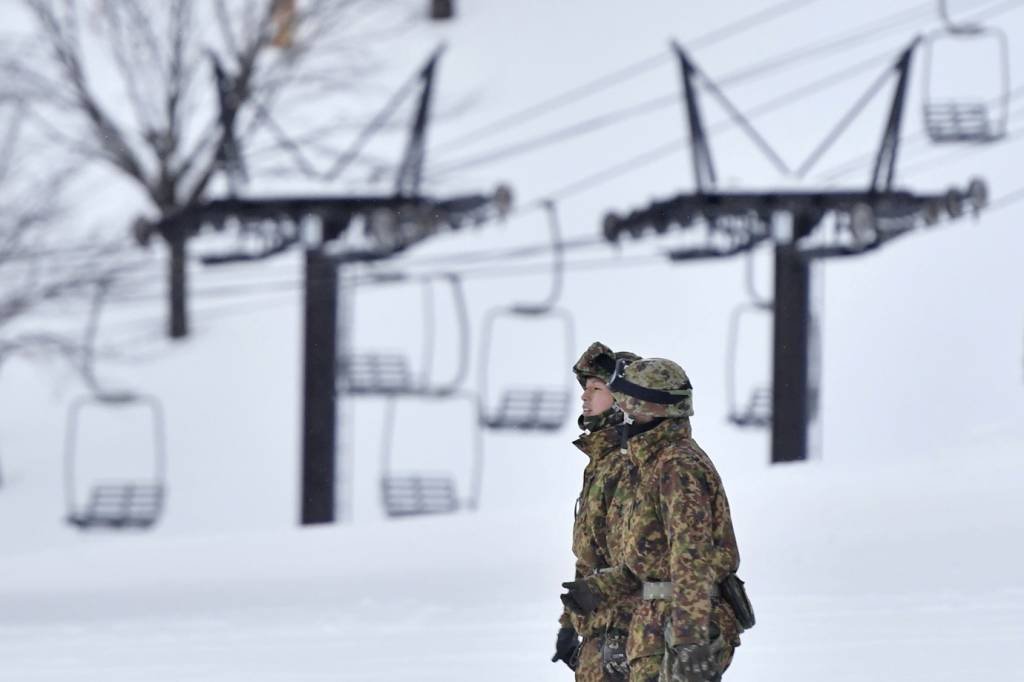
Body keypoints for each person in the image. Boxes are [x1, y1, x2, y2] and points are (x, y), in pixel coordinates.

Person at [560, 357, 746, 682]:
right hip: (655, 625)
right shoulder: (652, 464)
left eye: (632, 402)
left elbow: (692, 560)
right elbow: (648, 560)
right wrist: (599, 589)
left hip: (677, 625)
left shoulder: (678, 467)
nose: (626, 411)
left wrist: (689, 641)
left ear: (654, 407)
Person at [552, 342, 639, 681]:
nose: (585, 397)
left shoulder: (628, 464)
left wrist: (620, 635)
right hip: (598, 627)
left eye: (596, 389)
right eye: (585, 389)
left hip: (625, 628)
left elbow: (633, 562)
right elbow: (589, 558)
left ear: (621, 398)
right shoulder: (602, 462)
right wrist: (569, 624)